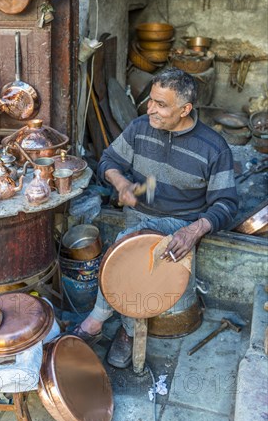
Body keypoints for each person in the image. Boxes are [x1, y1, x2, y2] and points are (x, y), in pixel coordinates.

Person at [73, 68, 238, 368]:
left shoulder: (214, 148)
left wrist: (195, 231)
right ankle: (126, 328)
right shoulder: (140, 129)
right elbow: (108, 160)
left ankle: (104, 325)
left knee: (126, 251)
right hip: (137, 215)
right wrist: (121, 183)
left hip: (179, 223)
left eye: (161, 105)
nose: (150, 109)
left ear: (185, 109)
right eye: (150, 100)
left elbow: (227, 203)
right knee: (126, 249)